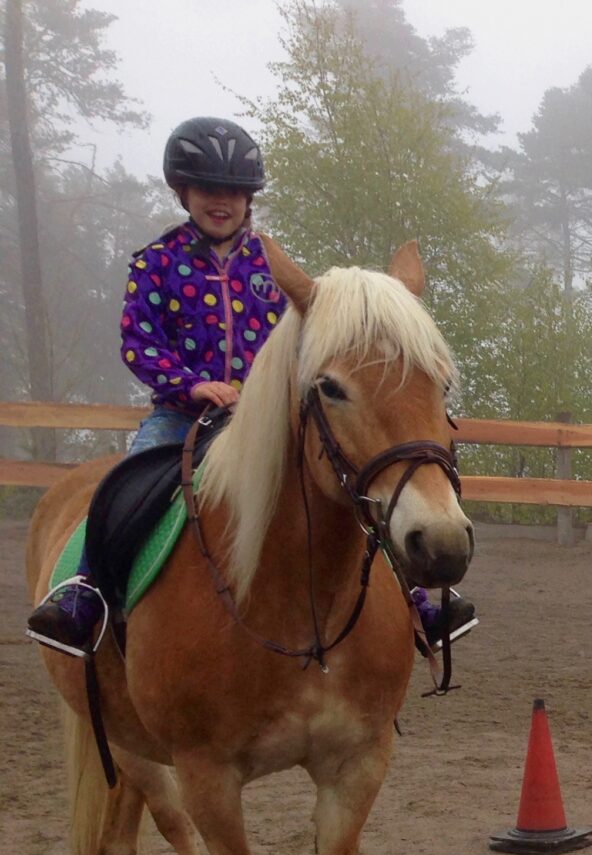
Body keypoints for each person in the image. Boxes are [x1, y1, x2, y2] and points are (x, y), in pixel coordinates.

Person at [26, 117, 475, 657]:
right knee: (124, 487)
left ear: (249, 199)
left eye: (235, 192)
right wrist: (192, 386)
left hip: (258, 416)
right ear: (182, 192)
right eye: (208, 189)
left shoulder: (269, 269)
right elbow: (138, 344)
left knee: (347, 492)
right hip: (180, 415)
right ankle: (85, 596)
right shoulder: (155, 264)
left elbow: (297, 346)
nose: (222, 202)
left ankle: (416, 604)